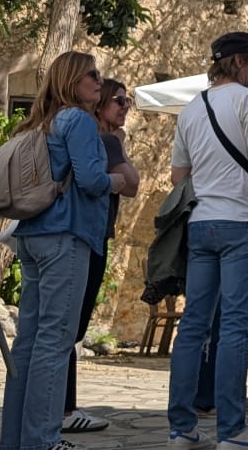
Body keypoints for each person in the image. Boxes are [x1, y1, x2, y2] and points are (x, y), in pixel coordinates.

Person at [0, 51, 126, 450]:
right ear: (72, 80)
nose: (99, 80)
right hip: (66, 236)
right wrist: (117, 181)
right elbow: (90, 180)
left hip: (32, 234)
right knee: (56, 342)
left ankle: (16, 440)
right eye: (91, 74)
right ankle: (43, 440)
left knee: (29, 341)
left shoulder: (41, 121)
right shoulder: (79, 121)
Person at [167, 32, 248, 449]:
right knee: (234, 326)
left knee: (193, 325)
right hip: (241, 222)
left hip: (200, 224)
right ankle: (232, 432)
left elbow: (179, 178)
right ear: (238, 62)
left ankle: (181, 429)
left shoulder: (192, 109)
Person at [62, 78, 141, 434]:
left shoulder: (90, 136)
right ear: (100, 106)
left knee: (67, 325)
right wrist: (120, 151)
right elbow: (133, 185)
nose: (125, 107)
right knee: (72, 326)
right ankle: (65, 410)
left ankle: (62, 408)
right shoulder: (106, 140)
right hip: (92, 236)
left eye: (128, 102)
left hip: (84, 233)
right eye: (118, 101)